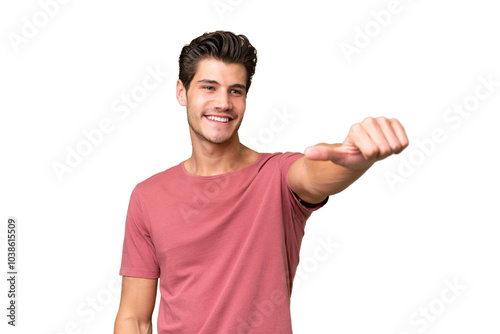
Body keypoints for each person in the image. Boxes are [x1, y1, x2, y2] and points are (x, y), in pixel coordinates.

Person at [114, 30, 409, 334]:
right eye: (209, 87)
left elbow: (315, 176)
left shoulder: (277, 175)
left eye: (236, 91)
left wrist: (356, 161)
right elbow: (134, 319)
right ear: (181, 92)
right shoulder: (148, 196)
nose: (223, 103)